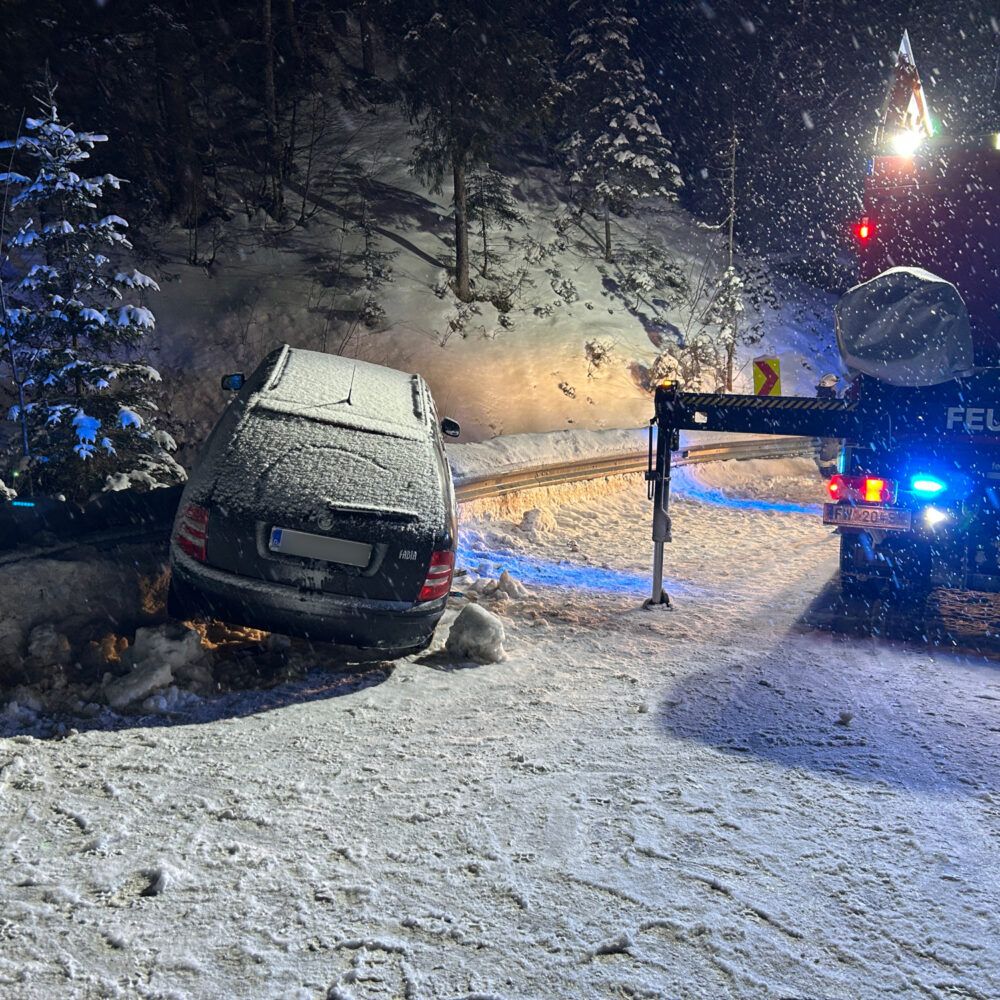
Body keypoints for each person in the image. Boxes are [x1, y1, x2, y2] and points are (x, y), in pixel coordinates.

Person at [816, 372, 840, 479]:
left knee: (834, 445)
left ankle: (832, 466)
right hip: (827, 426)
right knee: (829, 445)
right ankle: (825, 468)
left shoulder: (830, 397)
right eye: (834, 385)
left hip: (832, 425)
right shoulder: (825, 398)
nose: (835, 387)